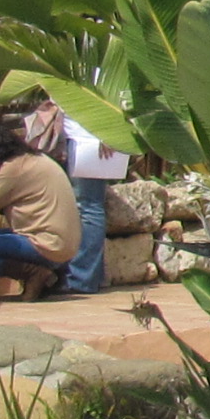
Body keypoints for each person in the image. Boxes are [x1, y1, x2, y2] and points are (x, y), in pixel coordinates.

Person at [0, 118, 82, 297]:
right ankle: (49, 273)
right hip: (63, 245)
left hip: (46, 245)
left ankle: (31, 272)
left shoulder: (11, 170)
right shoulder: (34, 159)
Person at [60, 119, 132, 297]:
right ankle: (88, 275)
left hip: (88, 140)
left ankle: (82, 278)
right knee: (83, 207)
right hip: (77, 136)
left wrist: (108, 133)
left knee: (88, 207)